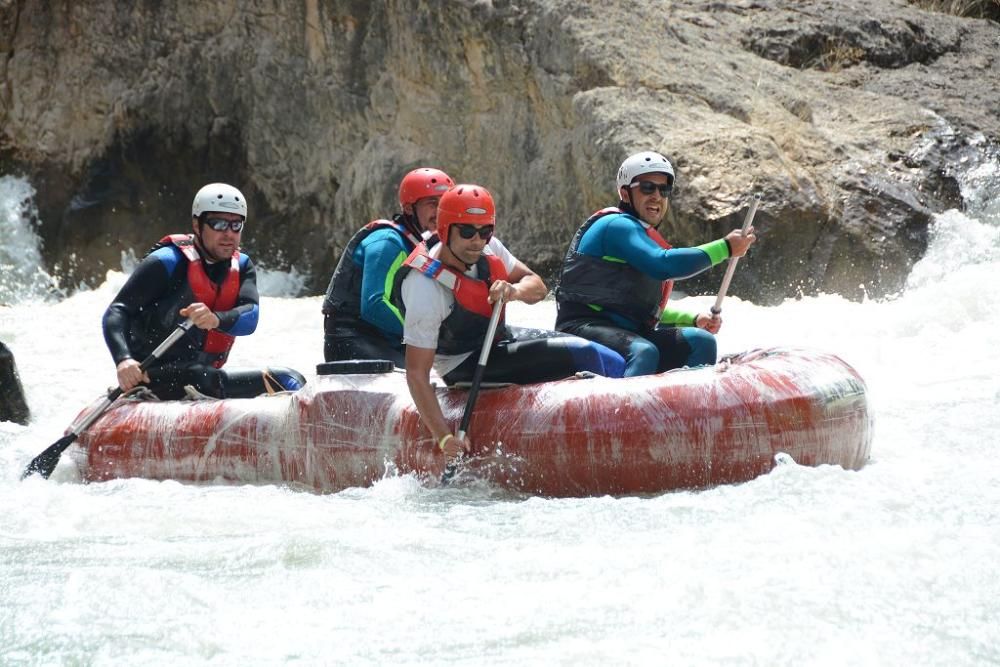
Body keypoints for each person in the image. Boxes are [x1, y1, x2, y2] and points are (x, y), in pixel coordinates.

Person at [393, 184, 625, 458]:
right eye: (466, 232)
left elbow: (537, 286)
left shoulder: (489, 248)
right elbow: (417, 374)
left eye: (484, 231)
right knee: (583, 354)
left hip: (499, 338)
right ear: (444, 230)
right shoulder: (425, 288)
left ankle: (628, 418)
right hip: (463, 363)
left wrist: (514, 291)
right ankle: (612, 437)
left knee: (608, 356)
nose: (477, 241)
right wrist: (444, 438)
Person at [554, 151, 757, 377]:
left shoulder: (642, 238)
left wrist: (692, 320)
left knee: (701, 341)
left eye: (664, 190)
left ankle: (689, 409)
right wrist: (726, 247)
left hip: (627, 332)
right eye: (647, 188)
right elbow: (664, 265)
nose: (657, 196)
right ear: (625, 193)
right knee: (643, 351)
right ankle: (626, 411)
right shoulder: (615, 226)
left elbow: (639, 307)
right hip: (582, 329)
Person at [103, 182, 304, 400]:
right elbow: (117, 311)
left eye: (236, 225)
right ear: (198, 225)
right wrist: (124, 360)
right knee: (201, 377)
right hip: (152, 376)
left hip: (206, 376)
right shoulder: (167, 262)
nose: (228, 234)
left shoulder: (243, 265)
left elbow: (251, 316)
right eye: (218, 224)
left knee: (289, 379)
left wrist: (215, 319)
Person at [322, 167, 455, 366]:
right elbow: (374, 305)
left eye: (444, 204)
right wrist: (423, 336)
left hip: (385, 340)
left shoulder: (421, 245)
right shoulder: (387, 242)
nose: (439, 212)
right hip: (351, 340)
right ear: (410, 208)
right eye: (431, 204)